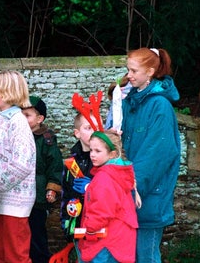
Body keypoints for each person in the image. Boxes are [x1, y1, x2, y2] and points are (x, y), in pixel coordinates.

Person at [122, 47, 181, 263]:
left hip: (148, 197)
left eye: (134, 71)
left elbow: (157, 156)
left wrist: (131, 188)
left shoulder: (160, 106)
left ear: (150, 72)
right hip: (131, 196)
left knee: (146, 256)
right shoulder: (130, 102)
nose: (129, 75)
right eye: (128, 69)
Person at [0, 70, 36, 263]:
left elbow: (22, 164)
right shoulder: (1, 119)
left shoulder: (18, 122)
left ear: (7, 92)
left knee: (16, 255)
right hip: (1, 199)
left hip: (16, 200)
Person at [77, 130, 138, 263]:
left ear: (112, 154)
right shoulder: (117, 173)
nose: (92, 155)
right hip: (119, 237)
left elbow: (102, 210)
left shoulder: (105, 178)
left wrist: (90, 231)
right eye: (91, 150)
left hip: (107, 240)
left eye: (98, 151)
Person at [21, 95, 62, 263]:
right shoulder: (19, 135)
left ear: (40, 118)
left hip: (37, 194)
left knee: (37, 234)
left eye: (27, 115)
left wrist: (51, 188)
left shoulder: (47, 139)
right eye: (21, 114)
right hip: (20, 194)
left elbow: (55, 165)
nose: (23, 119)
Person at [60, 113, 95, 257]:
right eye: (88, 128)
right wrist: (66, 224)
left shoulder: (102, 159)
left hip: (97, 227)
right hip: (78, 224)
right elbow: (65, 195)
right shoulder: (71, 162)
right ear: (77, 133)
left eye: (95, 127)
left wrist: (92, 186)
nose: (93, 131)